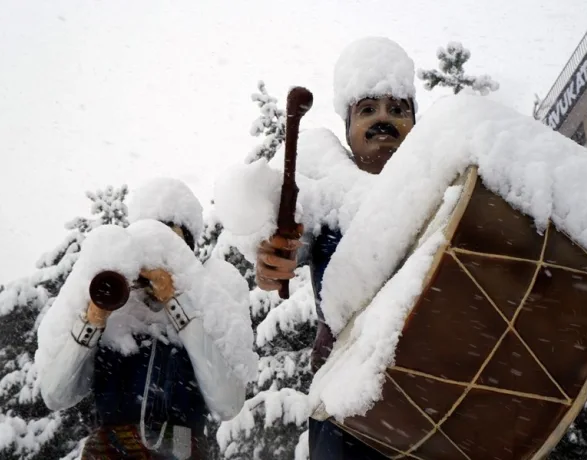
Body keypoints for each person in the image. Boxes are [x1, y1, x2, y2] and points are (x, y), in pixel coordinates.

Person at [255, 36, 417, 460]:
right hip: (344, 405)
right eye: (367, 110)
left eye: (398, 109)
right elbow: (282, 254)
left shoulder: (443, 190)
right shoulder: (326, 196)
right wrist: (272, 262)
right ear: (347, 130)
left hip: (436, 394)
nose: (384, 119)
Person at [35, 178, 257, 460]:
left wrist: (177, 303)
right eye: (149, 244)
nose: (157, 256)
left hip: (180, 450)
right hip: (110, 451)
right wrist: (94, 317)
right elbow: (56, 394)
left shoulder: (214, 292)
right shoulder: (110, 292)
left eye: (171, 246)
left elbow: (228, 404)